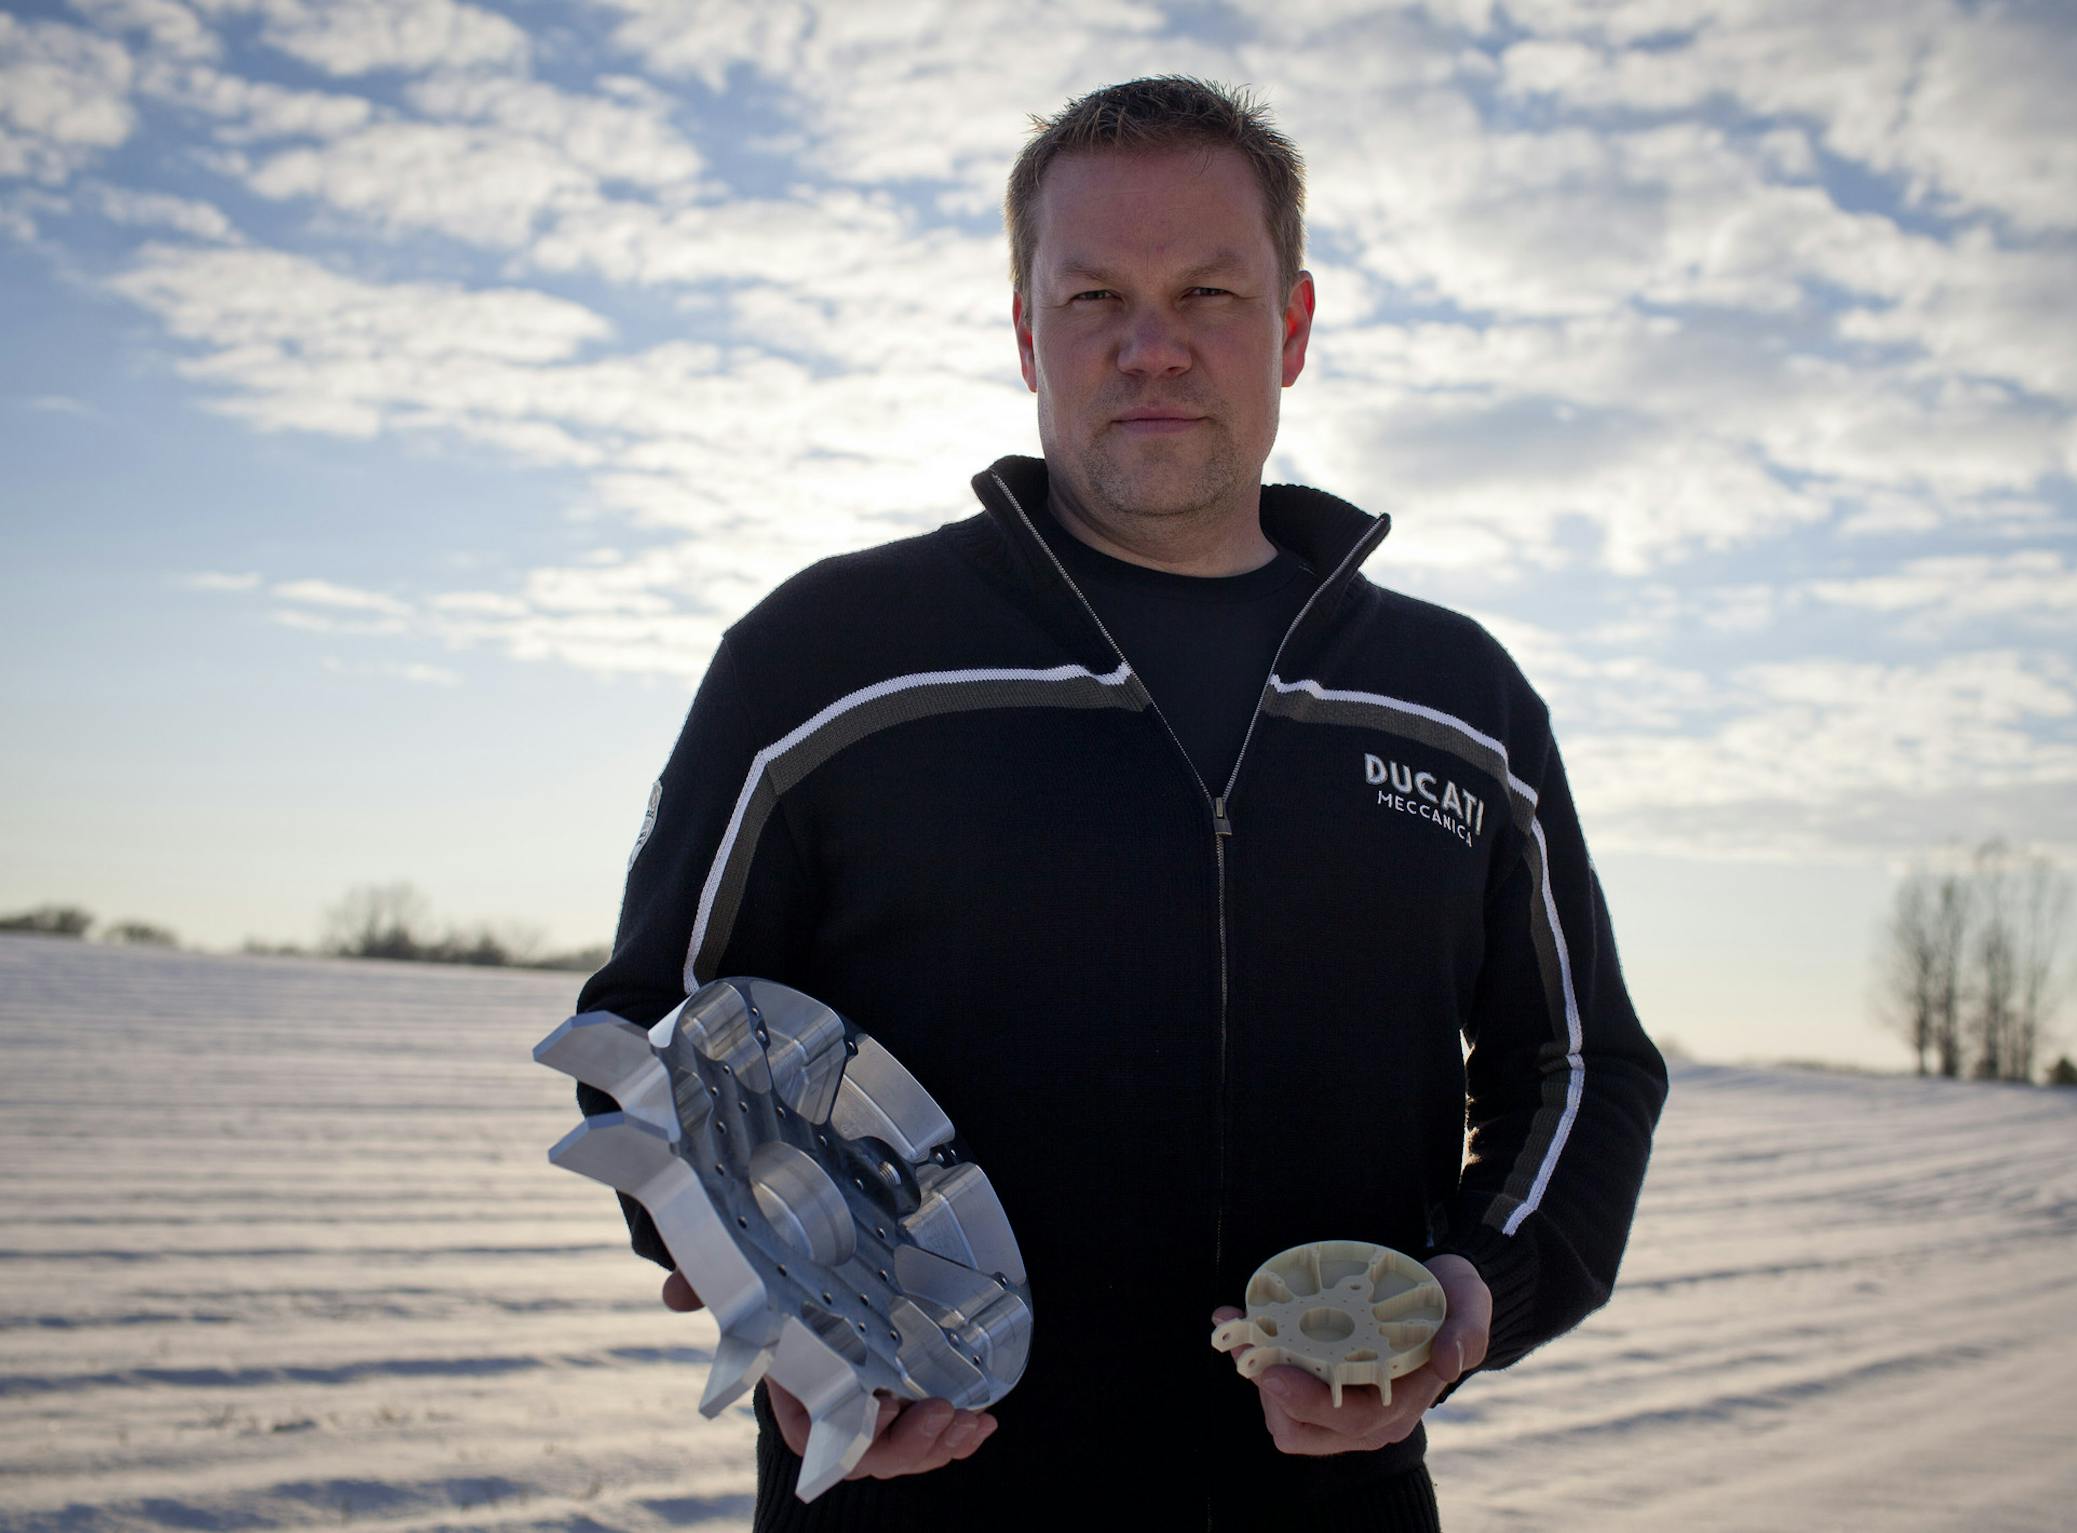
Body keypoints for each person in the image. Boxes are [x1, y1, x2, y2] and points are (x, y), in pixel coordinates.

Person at [575, 75, 1667, 1531]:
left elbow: (1580, 1068)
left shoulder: (1456, 702)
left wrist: (1469, 1297)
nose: (1153, 346)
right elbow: (656, 1042)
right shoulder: (825, 658)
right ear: (1027, 332)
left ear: (1293, 324)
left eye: (1210, 289)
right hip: (915, 1500)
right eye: (1093, 297)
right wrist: (789, 1326)